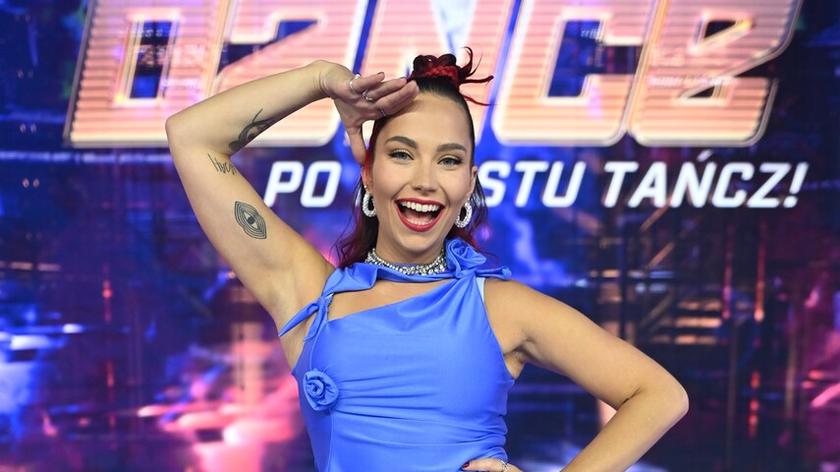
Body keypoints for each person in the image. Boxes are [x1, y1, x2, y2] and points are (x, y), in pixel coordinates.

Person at [165, 47, 689, 471]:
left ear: (468, 184)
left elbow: (659, 394)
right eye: (401, 153)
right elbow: (192, 138)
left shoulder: (501, 307)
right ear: (369, 172)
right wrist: (321, 79)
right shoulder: (309, 295)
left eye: (449, 160)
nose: (425, 180)